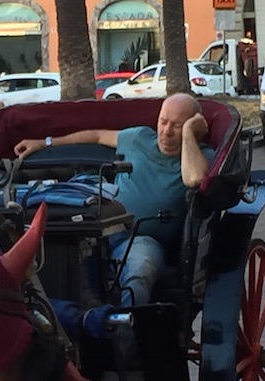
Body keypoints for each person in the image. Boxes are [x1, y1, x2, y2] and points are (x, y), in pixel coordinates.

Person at [14, 93, 214, 308]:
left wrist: (189, 134)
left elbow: (195, 178)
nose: (166, 131)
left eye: (177, 125)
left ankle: (126, 331)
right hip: (96, 227)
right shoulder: (139, 138)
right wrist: (45, 143)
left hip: (141, 240)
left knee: (141, 269)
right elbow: (97, 135)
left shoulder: (201, 156)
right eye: (163, 122)